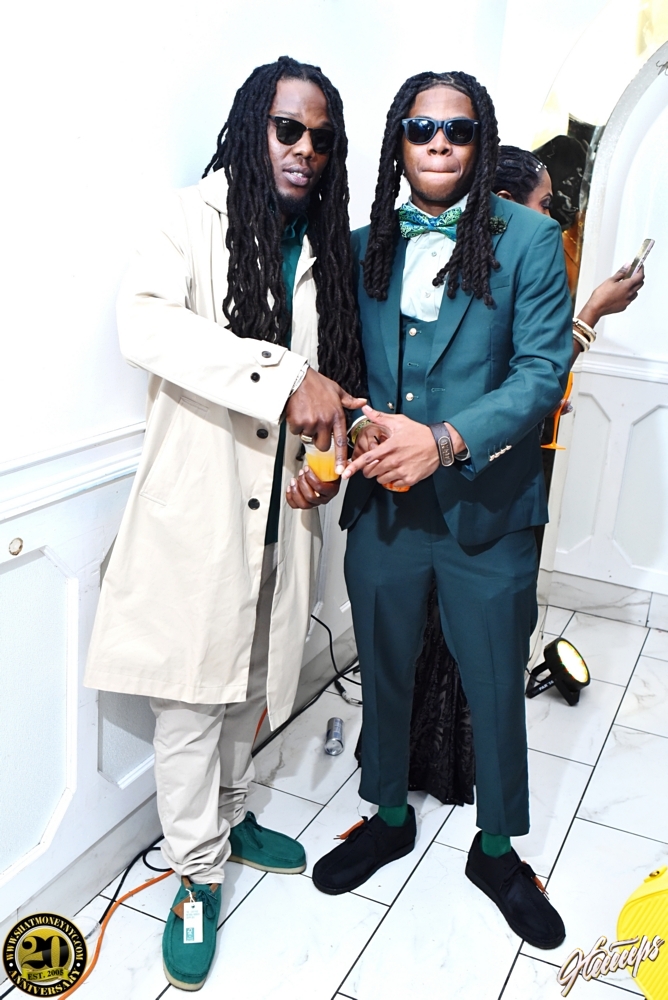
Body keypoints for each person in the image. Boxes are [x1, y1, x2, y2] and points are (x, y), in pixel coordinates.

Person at [84, 56, 364, 991]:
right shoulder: (188, 219)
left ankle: (235, 813)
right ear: (254, 129)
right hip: (199, 514)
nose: (305, 150)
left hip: (282, 518)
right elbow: (146, 326)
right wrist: (287, 377)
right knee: (190, 702)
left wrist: (326, 466)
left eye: (321, 138)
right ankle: (195, 874)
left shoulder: (321, 246)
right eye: (289, 129)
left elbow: (323, 395)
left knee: (250, 683)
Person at [310, 70, 572, 950]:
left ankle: (496, 852)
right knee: (384, 669)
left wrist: (446, 439)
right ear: (399, 138)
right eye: (421, 127)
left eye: (457, 130)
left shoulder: (530, 239)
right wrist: (356, 436)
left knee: (495, 682)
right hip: (384, 509)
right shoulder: (361, 246)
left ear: (479, 142)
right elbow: (342, 371)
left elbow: (541, 374)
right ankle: (388, 817)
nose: (438, 143)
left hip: (486, 507)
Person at [404, 144, 646, 807]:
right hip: (475, 475)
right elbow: (527, 378)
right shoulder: (477, 274)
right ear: (507, 204)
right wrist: (592, 312)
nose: (553, 218)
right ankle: (441, 759)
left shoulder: (502, 266)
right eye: (544, 204)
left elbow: (532, 377)